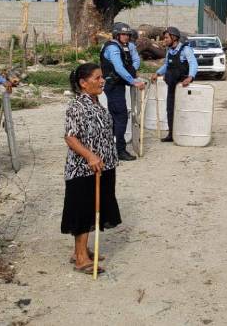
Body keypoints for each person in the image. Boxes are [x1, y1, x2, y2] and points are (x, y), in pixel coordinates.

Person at [61, 63, 122, 275]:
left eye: (101, 77)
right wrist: (90, 156)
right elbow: (70, 136)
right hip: (83, 169)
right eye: (97, 78)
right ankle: (80, 258)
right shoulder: (77, 106)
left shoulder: (96, 102)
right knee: (83, 211)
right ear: (83, 83)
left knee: (93, 209)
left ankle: (82, 249)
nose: (102, 81)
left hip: (102, 166)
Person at [100, 22, 145, 161]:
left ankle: (110, 148)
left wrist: (131, 69)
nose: (126, 37)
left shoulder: (128, 46)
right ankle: (119, 150)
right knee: (120, 117)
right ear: (116, 35)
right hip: (113, 85)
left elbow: (136, 60)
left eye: (127, 34)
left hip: (120, 85)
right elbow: (118, 68)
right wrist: (133, 81)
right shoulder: (112, 48)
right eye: (123, 34)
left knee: (115, 117)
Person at [151, 27, 198, 142]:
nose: (164, 40)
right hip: (171, 86)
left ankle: (185, 134)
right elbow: (166, 65)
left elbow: (193, 63)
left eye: (166, 38)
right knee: (170, 109)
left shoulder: (185, 49)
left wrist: (190, 77)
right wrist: (157, 73)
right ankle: (171, 134)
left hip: (183, 86)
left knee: (183, 109)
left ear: (174, 38)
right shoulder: (169, 51)